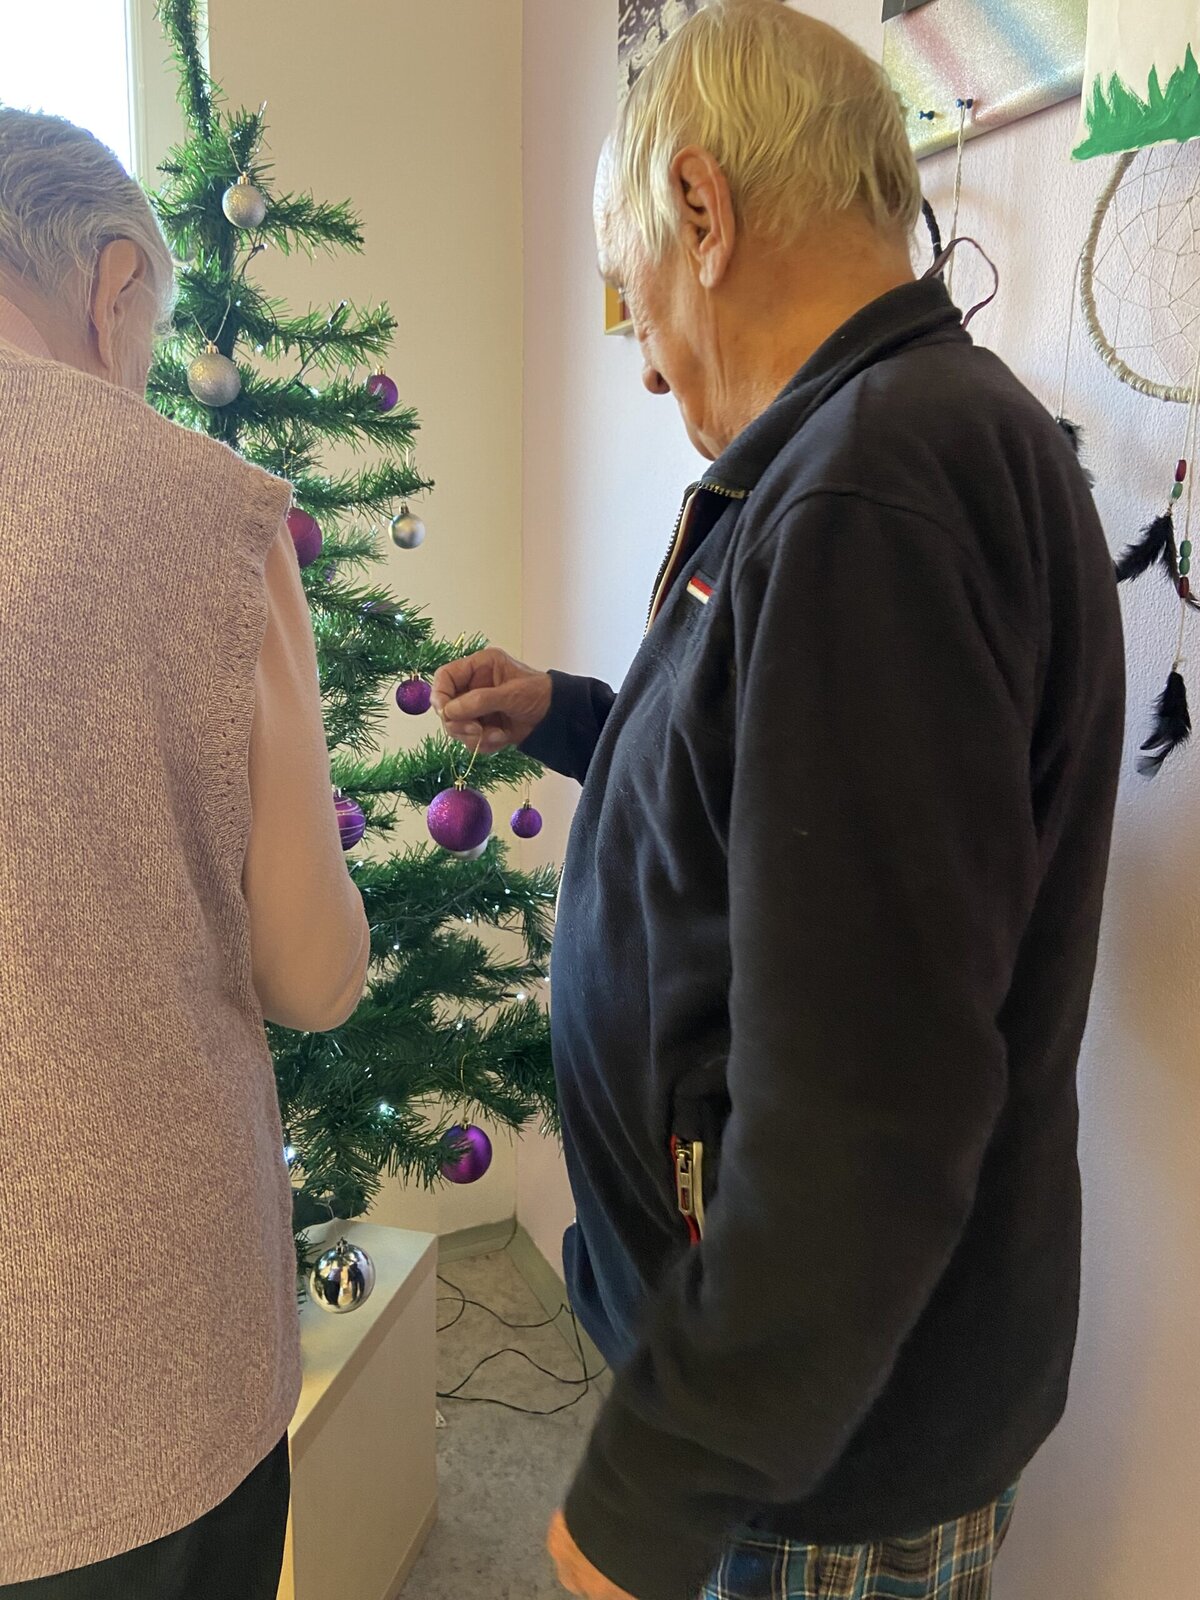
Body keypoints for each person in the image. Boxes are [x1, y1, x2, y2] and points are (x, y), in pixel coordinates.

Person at [433, 4, 1126, 1599]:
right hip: (819, 1414)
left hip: (819, 1465)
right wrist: (575, 716)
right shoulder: (870, 455)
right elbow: (772, 798)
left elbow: (870, 1093)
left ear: (702, 209)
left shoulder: (873, 491)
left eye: (633, 290)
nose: (643, 349)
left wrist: (661, 1479)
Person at [0, 109, 370, 1597]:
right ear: (111, 283)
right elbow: (313, 972)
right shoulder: (206, 513)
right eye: (149, 333)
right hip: (141, 1376)